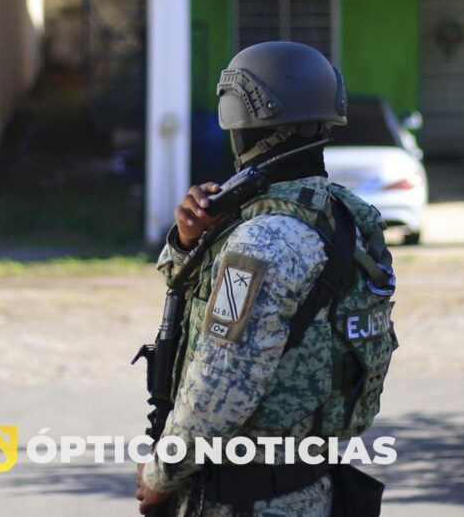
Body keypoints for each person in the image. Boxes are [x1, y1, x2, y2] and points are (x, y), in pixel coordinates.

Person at [135, 41, 395, 516]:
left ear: (243, 125)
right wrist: (190, 241)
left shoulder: (262, 242)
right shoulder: (344, 218)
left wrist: (160, 473)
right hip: (313, 490)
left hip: (242, 500)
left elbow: (220, 390)